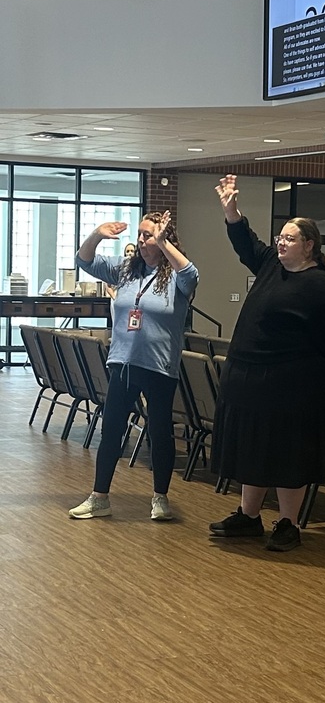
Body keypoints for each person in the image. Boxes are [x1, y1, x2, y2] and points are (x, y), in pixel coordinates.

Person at [208, 174, 325, 553]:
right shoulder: (272, 264)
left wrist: (318, 374)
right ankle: (249, 516)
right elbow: (246, 244)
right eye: (281, 237)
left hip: (292, 386)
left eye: (289, 239)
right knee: (253, 449)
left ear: (308, 246)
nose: (281, 243)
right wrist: (232, 211)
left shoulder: (321, 287)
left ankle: (288, 523)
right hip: (250, 377)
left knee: (287, 455)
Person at [70, 211, 199, 521]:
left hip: (158, 366)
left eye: (148, 235)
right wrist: (97, 234)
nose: (142, 240)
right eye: (140, 234)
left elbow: (191, 273)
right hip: (123, 363)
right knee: (112, 428)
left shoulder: (176, 277)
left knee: (159, 431)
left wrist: (164, 242)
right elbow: (84, 261)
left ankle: (160, 497)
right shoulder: (127, 270)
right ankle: (99, 497)